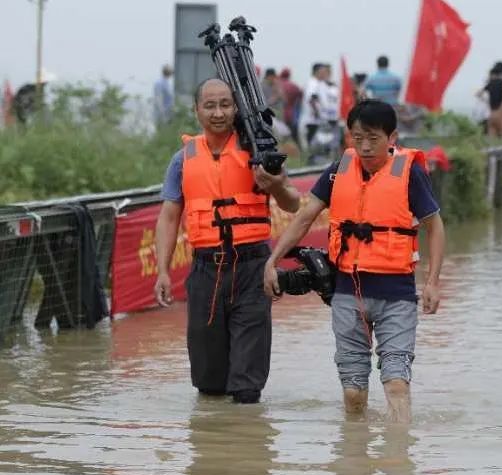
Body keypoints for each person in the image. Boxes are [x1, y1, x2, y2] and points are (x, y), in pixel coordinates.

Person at [263, 99, 445, 423]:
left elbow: (435, 226)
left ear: (392, 138)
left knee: (397, 384)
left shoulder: (410, 173)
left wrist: (432, 282)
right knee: (353, 392)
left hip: (397, 295)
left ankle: (398, 462)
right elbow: (305, 216)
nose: (364, 146)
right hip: (348, 294)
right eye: (356, 137)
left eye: (373, 138)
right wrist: (272, 260)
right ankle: (354, 455)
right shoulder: (338, 171)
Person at [154, 78, 301, 404]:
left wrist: (274, 185)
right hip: (206, 270)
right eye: (210, 105)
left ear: (236, 108)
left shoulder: (258, 152)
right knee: (209, 385)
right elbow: (168, 217)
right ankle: (213, 451)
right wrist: (163, 271)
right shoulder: (182, 160)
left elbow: (292, 203)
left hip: (252, 269)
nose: (218, 112)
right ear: (197, 111)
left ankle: (246, 446)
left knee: (247, 388)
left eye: (225, 104)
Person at [480, 61, 502, 138]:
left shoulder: (490, 83)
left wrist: (486, 101)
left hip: (492, 114)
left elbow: (478, 94)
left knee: (492, 140)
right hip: (501, 114)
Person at [279, 68, 303, 144]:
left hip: (279, 113)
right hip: (291, 113)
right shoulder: (294, 86)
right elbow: (301, 97)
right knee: (292, 134)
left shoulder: (278, 84)